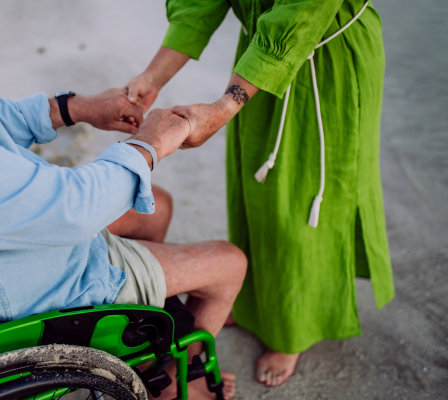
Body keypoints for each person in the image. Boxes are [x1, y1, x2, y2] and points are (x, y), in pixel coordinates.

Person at [0, 0, 245, 398]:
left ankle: (144, 336)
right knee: (230, 262)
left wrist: (74, 108)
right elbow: (72, 212)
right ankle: (177, 385)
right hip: (33, 283)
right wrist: (150, 143)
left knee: (156, 203)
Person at [125, 0, 394, 387]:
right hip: (256, 59)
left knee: (301, 201)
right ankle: (252, 299)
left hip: (322, 58)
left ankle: (292, 329)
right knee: (253, 186)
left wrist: (223, 106)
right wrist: (152, 77)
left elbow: (299, 12)